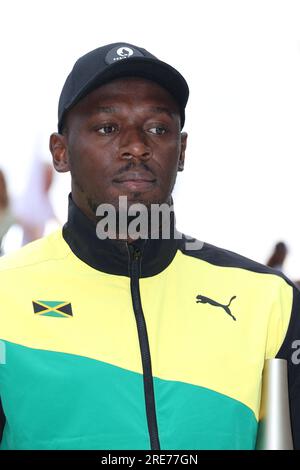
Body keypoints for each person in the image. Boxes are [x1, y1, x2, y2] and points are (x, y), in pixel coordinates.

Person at [0, 42, 299, 451]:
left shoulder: (271, 300)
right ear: (61, 151)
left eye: (158, 129)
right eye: (107, 128)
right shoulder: (5, 294)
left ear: (182, 151)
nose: (137, 146)